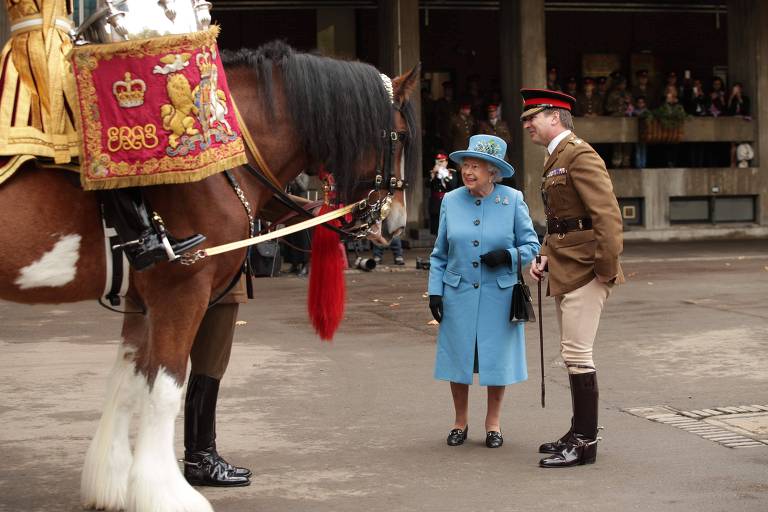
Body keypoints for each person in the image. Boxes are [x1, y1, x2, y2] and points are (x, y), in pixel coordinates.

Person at [520, 88, 624, 467]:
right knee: (571, 352)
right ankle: (577, 431)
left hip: (586, 267)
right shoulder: (556, 158)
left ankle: (584, 441)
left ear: (555, 116)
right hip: (567, 264)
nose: (527, 124)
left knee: (579, 353)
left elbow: (607, 216)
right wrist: (545, 255)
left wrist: (606, 270)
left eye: (533, 117)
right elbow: (560, 220)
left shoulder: (579, 154)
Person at [428, 134, 540, 449]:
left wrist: (508, 256)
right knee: (458, 358)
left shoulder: (512, 199)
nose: (468, 171)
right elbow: (439, 254)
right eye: (466, 164)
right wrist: (435, 292)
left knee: (496, 360)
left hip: (499, 294)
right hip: (458, 292)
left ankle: (493, 424)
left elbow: (532, 245)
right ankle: (459, 422)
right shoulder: (450, 201)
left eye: (476, 166)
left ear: (493, 171)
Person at [183, 285, 252, 487]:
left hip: (213, 275)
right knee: (210, 363)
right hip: (217, 278)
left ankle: (201, 456)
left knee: (208, 366)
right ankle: (200, 459)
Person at [428, 152, 459, 235]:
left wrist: (445, 175)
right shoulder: (433, 173)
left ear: (446, 162)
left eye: (442, 161)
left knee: (447, 226)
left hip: (447, 202)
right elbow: (428, 185)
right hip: (435, 203)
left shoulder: (451, 172)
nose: (440, 163)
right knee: (435, 228)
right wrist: (433, 175)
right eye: (438, 161)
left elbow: (453, 186)